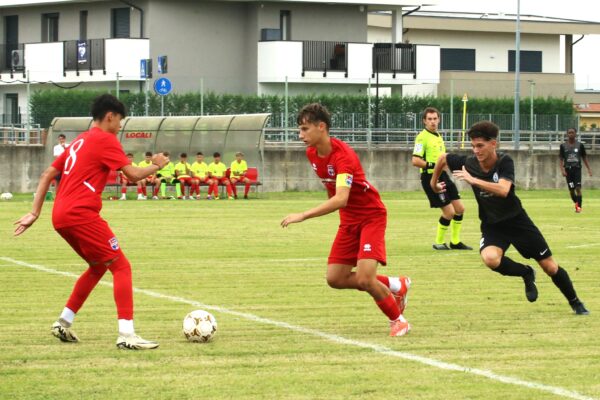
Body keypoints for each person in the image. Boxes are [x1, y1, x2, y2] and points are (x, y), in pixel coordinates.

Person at [13, 94, 170, 349]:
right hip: (81, 214)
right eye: (120, 121)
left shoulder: (79, 141)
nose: (120, 126)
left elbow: (47, 174)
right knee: (121, 267)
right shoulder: (104, 139)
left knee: (98, 267)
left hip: (60, 215)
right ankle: (127, 335)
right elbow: (132, 175)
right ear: (110, 116)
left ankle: (63, 322)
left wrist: (35, 212)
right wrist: (156, 165)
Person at [430, 120, 589, 315]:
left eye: (480, 145)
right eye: (473, 146)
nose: (476, 150)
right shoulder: (469, 163)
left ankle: (575, 302)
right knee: (490, 259)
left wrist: (474, 180)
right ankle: (526, 272)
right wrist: (433, 183)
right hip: (493, 225)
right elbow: (442, 158)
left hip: (517, 222)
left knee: (550, 266)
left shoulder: (504, 162)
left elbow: (504, 190)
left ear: (493, 144)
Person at [281, 103, 411, 337]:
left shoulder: (344, 157)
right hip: (349, 221)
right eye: (299, 130)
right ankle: (395, 285)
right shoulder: (312, 153)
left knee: (365, 279)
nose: (300, 135)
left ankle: (398, 320)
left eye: (304, 129)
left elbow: (341, 198)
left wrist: (303, 215)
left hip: (371, 216)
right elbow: (332, 190)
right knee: (335, 278)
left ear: (321, 127)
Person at [412, 107, 471, 251]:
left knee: (460, 209)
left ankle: (455, 242)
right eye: (429, 119)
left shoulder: (438, 136)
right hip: (430, 177)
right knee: (449, 212)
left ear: (439, 119)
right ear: (424, 121)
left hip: (443, 176)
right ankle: (438, 242)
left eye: (435, 119)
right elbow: (415, 160)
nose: (433, 122)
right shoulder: (422, 137)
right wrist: (434, 164)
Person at [559, 128, 593, 213]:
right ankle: (577, 203)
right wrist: (562, 170)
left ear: (575, 134)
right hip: (568, 171)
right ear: (567, 134)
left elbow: (584, 157)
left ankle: (578, 208)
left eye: (572, 132)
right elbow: (561, 159)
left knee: (578, 188)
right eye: (569, 133)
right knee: (571, 190)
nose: (571, 134)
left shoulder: (580, 145)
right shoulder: (563, 146)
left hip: (577, 169)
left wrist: (589, 169)